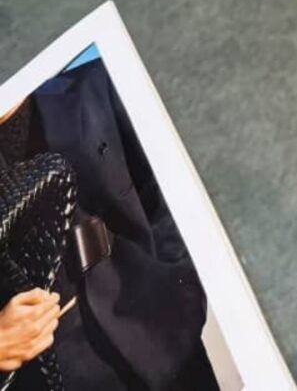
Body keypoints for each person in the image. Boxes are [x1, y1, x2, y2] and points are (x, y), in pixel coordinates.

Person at [0, 58, 218, 390]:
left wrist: (182, 295)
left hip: (160, 336)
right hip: (49, 376)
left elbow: (168, 194)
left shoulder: (95, 86)